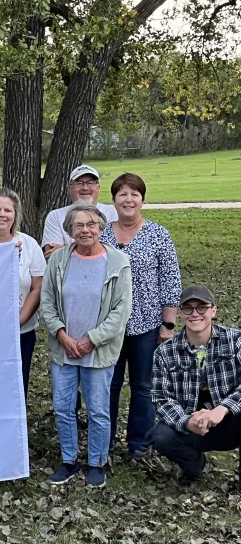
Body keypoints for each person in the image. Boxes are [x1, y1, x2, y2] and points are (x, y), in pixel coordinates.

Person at [39, 202, 132, 488]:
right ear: (70, 230)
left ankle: (96, 463)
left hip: (98, 351)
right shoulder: (58, 260)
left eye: (91, 224)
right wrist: (63, 336)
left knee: (98, 410)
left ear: (102, 228)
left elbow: (120, 312)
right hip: (63, 349)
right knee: (64, 407)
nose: (85, 230)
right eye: (78, 225)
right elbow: (47, 303)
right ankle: (68, 461)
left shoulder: (118, 263)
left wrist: (91, 340)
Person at [101, 173, 181, 461]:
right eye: (122, 194)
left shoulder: (158, 234)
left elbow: (170, 280)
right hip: (108, 326)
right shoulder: (102, 234)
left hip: (146, 325)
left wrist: (168, 324)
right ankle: (104, 442)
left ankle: (139, 444)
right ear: (114, 200)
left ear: (142, 200)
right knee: (107, 383)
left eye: (134, 194)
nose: (128, 199)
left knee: (143, 385)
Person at [147, 286, 241, 486]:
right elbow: (160, 397)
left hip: (229, 419)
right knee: (160, 437)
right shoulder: (164, 352)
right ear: (179, 313)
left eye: (202, 307)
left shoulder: (235, 341)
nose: (195, 313)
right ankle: (194, 466)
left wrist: (222, 410)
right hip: (192, 421)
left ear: (213, 311)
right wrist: (185, 421)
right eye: (188, 308)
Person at [0, 187, 46, 399]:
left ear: (15, 214)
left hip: (22, 331)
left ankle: (15, 430)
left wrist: (19, 320)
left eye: (7, 210)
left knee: (18, 382)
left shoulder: (28, 244)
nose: (2, 214)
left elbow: (37, 287)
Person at [41, 165, 119, 261]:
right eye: (79, 183)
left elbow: (113, 252)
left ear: (98, 187)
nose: (85, 187)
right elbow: (52, 257)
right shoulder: (55, 216)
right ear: (69, 188)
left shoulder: (112, 212)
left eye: (91, 183)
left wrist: (65, 251)